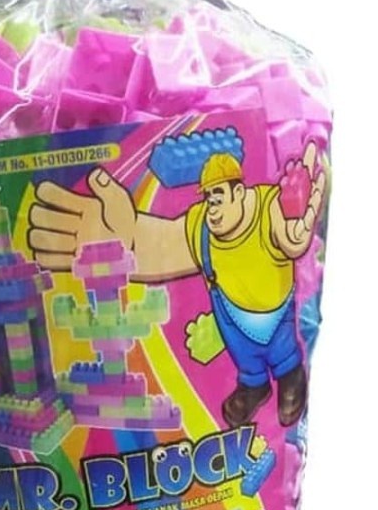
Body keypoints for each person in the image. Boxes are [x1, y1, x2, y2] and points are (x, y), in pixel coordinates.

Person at [27, 141, 327, 427]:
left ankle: (290, 374)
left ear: (238, 192)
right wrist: (131, 237)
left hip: (275, 312)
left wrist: (295, 233)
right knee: (245, 354)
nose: (212, 208)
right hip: (234, 317)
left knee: (282, 348)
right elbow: (167, 243)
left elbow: (288, 230)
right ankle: (254, 384)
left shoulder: (268, 207)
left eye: (218, 198)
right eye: (208, 198)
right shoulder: (202, 226)